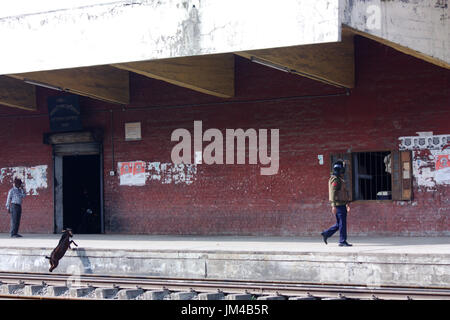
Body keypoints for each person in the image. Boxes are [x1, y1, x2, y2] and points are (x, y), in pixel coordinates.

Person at [321, 160, 352, 247]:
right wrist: (333, 205)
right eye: (342, 169)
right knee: (342, 224)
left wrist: (347, 203)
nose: (343, 171)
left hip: (341, 204)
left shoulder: (339, 179)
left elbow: (343, 192)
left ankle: (326, 233)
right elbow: (332, 193)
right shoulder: (334, 179)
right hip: (338, 205)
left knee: (340, 224)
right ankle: (342, 241)